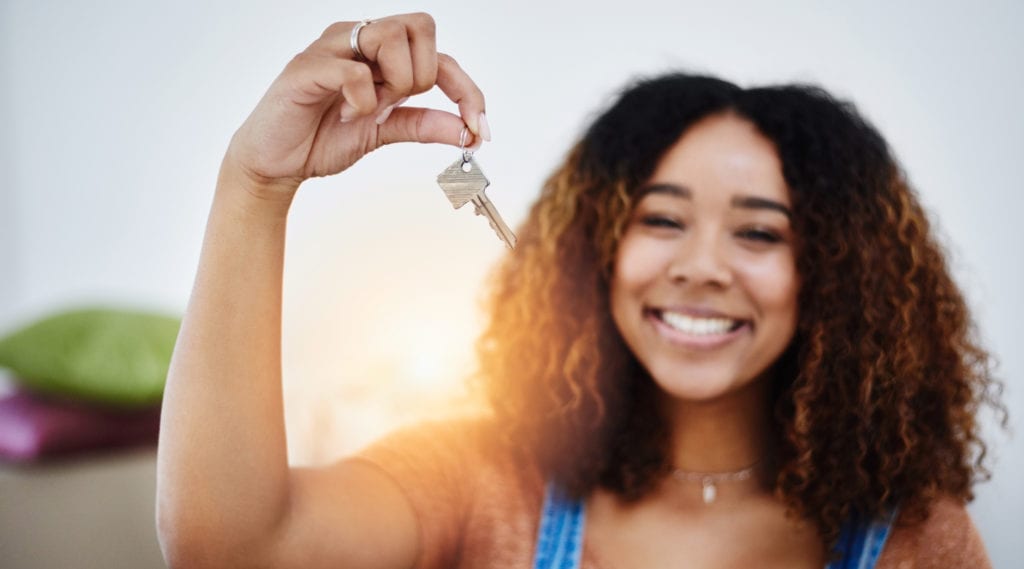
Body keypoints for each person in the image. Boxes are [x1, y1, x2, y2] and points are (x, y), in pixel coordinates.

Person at [155, 12, 1004, 569]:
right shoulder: (483, 481)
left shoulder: (918, 538)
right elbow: (233, 544)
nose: (702, 264)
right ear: (594, 249)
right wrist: (255, 184)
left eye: (759, 232)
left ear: (842, 276)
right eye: (662, 221)